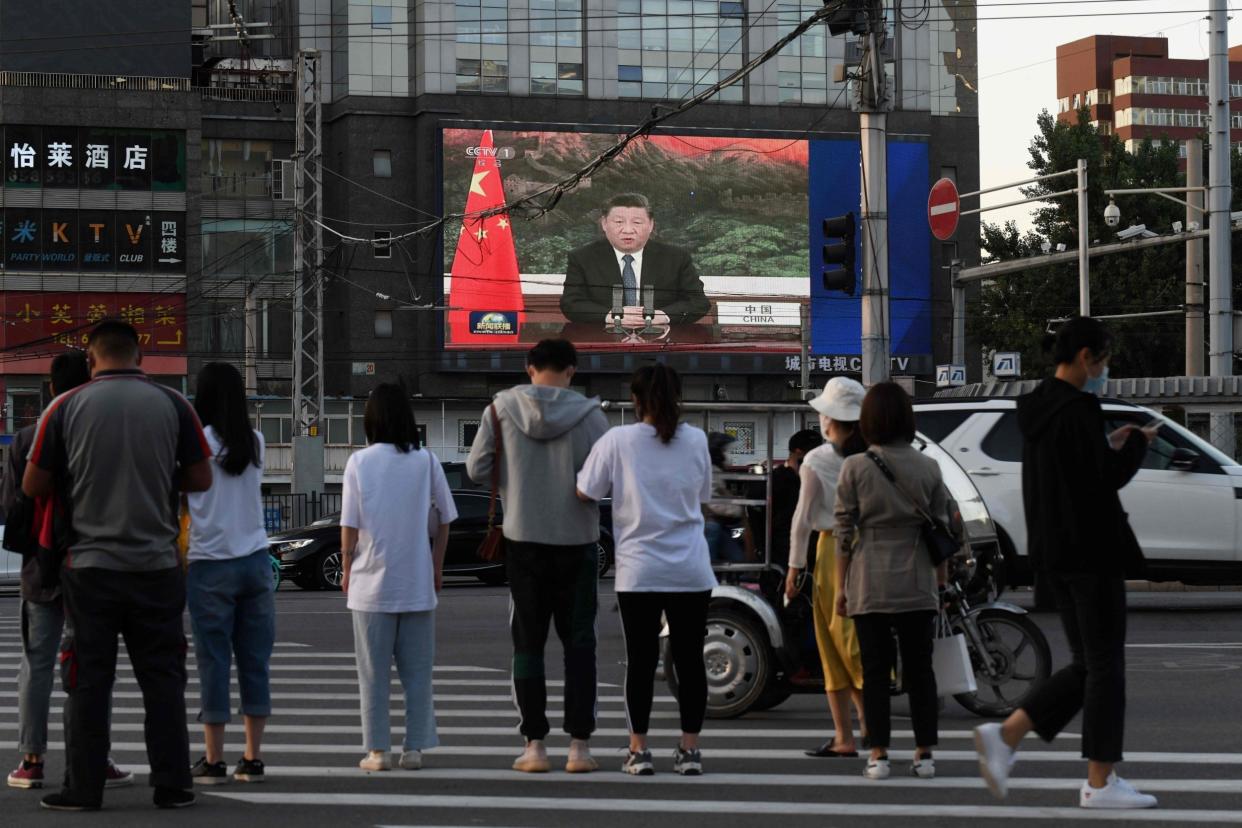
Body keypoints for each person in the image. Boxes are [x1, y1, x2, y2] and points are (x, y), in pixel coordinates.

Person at [23, 320, 213, 811]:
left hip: (89, 569)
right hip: (157, 567)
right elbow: (201, 479)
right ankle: (173, 786)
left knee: (87, 682)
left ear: (91, 359)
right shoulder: (175, 405)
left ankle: (82, 789)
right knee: (163, 681)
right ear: (140, 355)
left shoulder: (63, 408)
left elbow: (33, 485)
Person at [974, 316, 1158, 810]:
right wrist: (1139, 442)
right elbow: (1103, 483)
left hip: (1056, 553)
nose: (1104, 369)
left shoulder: (1038, 409)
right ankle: (1100, 782)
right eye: (1103, 359)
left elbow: (1073, 474)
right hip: (1092, 551)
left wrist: (1109, 444)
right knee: (1105, 667)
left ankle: (1007, 736)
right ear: (1085, 358)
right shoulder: (1078, 409)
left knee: (1087, 665)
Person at [466, 339, 609, 774]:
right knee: (580, 645)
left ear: (530, 367)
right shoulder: (592, 416)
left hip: (524, 541)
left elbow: (476, 469)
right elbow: (606, 477)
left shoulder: (500, 409)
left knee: (527, 646)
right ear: (572, 370)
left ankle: (534, 747)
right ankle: (579, 749)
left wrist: (514, 479)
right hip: (579, 542)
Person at [576, 364, 716, 776]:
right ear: (678, 397)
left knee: (641, 661)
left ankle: (639, 750)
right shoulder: (696, 440)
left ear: (635, 400)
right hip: (691, 568)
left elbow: (586, 490)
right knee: (690, 661)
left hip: (639, 570)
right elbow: (703, 496)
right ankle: (690, 751)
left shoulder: (618, 440)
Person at [3, 351, 132, 791]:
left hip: (40, 567)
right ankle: (99, 758)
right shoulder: (100, 433)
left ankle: (31, 762)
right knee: (92, 665)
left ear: (50, 389)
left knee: (36, 664)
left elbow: (10, 507)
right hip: (91, 563)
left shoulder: (24, 439)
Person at [834, 381, 957, 782]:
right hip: (918, 577)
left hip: (869, 579)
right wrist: (940, 586)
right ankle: (924, 755)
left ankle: (880, 755)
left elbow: (843, 533)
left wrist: (840, 588)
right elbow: (941, 530)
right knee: (921, 672)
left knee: (874, 671)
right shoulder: (929, 466)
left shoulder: (854, 467)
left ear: (867, 421)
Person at [341, 383, 457, 772]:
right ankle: (414, 749)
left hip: (370, 586)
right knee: (418, 674)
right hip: (417, 583)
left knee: (372, 675)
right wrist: (437, 566)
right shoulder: (426, 461)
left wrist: (345, 568)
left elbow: (349, 526)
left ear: (371, 420)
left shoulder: (359, 462)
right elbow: (444, 520)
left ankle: (378, 751)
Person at [185, 363, 275, 785]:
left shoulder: (195, 442)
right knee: (255, 662)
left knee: (214, 662)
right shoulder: (254, 441)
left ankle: (214, 758)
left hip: (210, 564)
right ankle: (253, 759)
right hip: (256, 563)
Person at [784, 379, 867, 759]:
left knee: (837, 646)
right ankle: (866, 727)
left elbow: (802, 519)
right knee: (855, 642)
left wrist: (793, 569)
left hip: (832, 550)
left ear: (831, 419)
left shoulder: (816, 460)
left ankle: (850, 734)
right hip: (869, 550)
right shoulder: (871, 455)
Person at [560, 193, 710, 326]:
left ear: (651, 225)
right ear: (604, 224)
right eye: (619, 222)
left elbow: (698, 302)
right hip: (605, 339)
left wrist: (663, 316)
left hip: (661, 340)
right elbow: (571, 304)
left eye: (637, 223)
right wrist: (610, 316)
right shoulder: (582, 258)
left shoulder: (676, 258)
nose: (627, 230)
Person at [769, 428, 822, 568]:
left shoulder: (814, 478)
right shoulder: (780, 480)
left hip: (811, 545)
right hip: (785, 547)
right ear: (798, 453)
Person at [704, 432, 746, 564]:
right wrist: (738, 510)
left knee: (737, 558)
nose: (726, 455)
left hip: (724, 524)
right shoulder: (711, 470)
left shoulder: (715, 470)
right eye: (724, 451)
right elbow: (713, 501)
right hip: (713, 524)